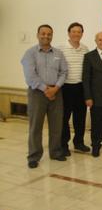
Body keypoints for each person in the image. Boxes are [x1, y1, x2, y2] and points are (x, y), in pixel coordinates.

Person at [21, 24, 68, 168]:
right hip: (37, 93)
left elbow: (64, 72)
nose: (46, 36)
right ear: (38, 35)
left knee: (56, 125)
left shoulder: (58, 53)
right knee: (36, 126)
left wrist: (56, 88)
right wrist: (46, 89)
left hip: (56, 92)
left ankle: (55, 152)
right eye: (43, 34)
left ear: (52, 36)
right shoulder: (30, 53)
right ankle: (34, 156)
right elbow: (30, 76)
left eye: (49, 34)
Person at [58, 22, 90, 156]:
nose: (76, 34)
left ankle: (79, 142)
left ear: (82, 34)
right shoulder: (60, 48)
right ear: (69, 33)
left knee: (80, 117)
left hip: (80, 88)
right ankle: (63, 145)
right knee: (64, 118)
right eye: (74, 31)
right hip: (65, 88)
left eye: (79, 32)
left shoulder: (85, 49)